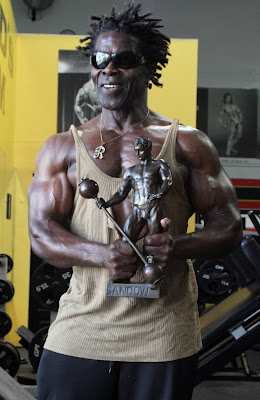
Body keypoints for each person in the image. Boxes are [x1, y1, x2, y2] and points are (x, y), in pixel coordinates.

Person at [28, 3, 242, 400]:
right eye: (100, 59)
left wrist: (178, 245)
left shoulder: (187, 143)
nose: (108, 69)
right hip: (81, 331)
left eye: (123, 59)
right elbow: (40, 233)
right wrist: (100, 254)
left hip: (163, 336)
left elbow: (229, 226)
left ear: (148, 68)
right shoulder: (62, 149)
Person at [218, 92, 243, 156]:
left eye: (229, 98)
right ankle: (228, 152)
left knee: (239, 135)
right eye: (226, 98)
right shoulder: (224, 107)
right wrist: (223, 125)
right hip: (232, 122)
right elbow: (219, 118)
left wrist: (240, 120)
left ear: (231, 98)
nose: (228, 99)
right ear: (225, 99)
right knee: (231, 136)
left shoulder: (234, 106)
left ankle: (231, 148)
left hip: (238, 121)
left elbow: (239, 113)